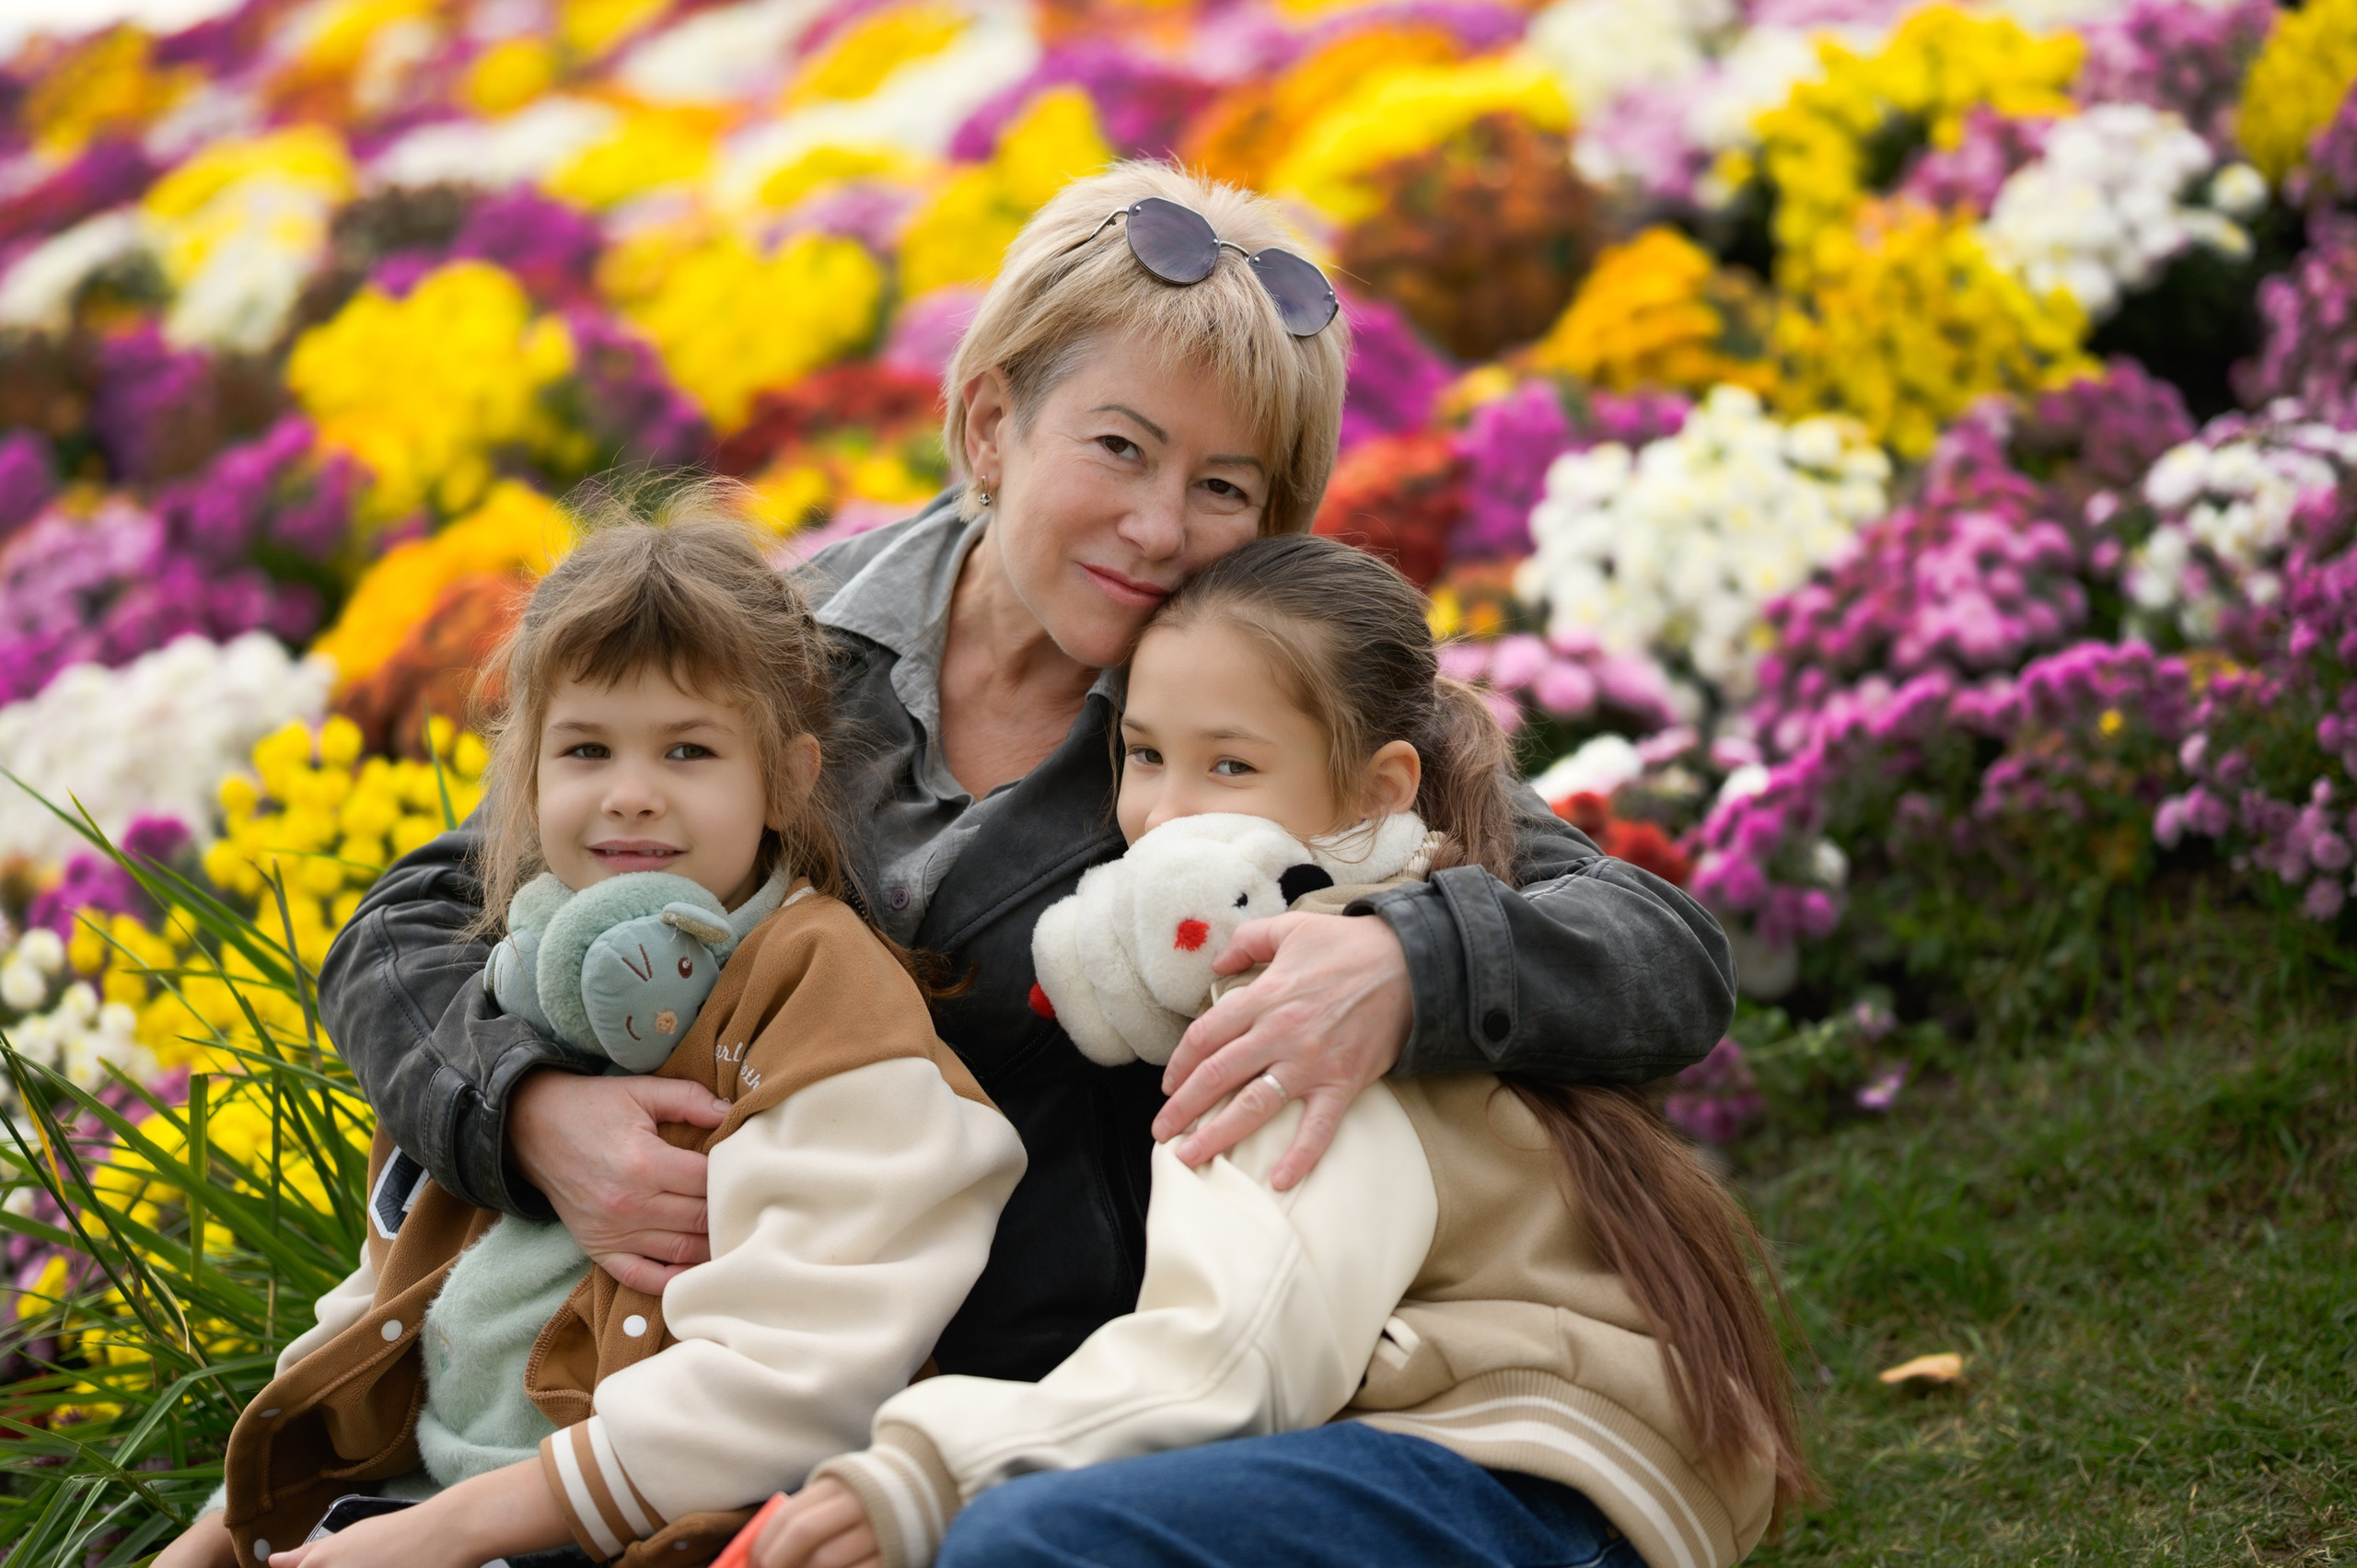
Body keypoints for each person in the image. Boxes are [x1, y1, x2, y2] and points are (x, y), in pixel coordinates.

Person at [320, 161, 1737, 1407]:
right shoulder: (784, 643)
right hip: (689, 1344)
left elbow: (1665, 959)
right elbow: (414, 914)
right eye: (1119, 446)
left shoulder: (1284, 709)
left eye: (1227, 487)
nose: (1160, 525)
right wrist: (524, 1110)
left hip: (1048, 1387)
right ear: (992, 421)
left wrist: (1402, 961)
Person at [747, 535, 1811, 1568]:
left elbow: (1238, 1350)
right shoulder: (1396, 898)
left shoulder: (1307, 997)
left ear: (1384, 787)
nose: (1162, 813)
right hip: (1481, 1447)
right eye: (1147, 754)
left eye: (1231, 764)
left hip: (1524, 1481)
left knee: (1016, 1540)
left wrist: (924, 1470)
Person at [158, 495, 1025, 1568]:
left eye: (689, 749)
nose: (629, 795)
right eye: (584, 748)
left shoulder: (823, 1002)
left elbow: (806, 1370)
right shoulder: (513, 967)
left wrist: (443, 1531)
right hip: (411, 1500)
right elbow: (400, 1275)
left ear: (786, 780)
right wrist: (232, 1523)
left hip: (629, 1529)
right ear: (525, 776)